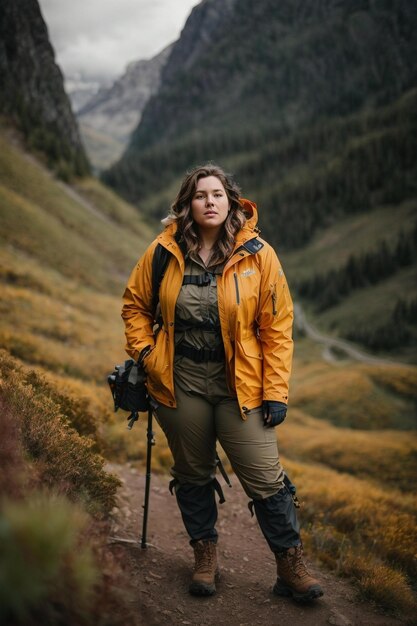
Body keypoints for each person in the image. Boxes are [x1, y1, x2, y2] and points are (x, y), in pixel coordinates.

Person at [121, 163, 323, 602]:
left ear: (231, 200)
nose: (209, 202)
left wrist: (275, 391)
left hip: (242, 387)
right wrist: (148, 356)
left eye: (216, 194)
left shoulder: (258, 253)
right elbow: (135, 307)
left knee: (266, 478)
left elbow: (277, 327)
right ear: (187, 204)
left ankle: (291, 567)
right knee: (192, 473)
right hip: (179, 383)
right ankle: (205, 559)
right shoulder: (162, 251)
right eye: (200, 195)